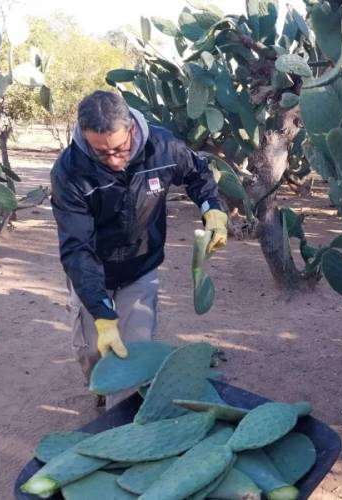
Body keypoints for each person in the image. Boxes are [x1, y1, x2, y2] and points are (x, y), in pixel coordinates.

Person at [50, 90, 227, 407]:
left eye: (119, 148)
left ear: (131, 127)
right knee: (93, 352)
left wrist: (212, 207)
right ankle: (103, 392)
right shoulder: (70, 171)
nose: (115, 160)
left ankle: (123, 422)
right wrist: (103, 316)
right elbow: (77, 248)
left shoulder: (162, 146)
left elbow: (197, 172)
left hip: (140, 268)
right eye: (101, 153)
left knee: (132, 351)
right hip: (94, 271)